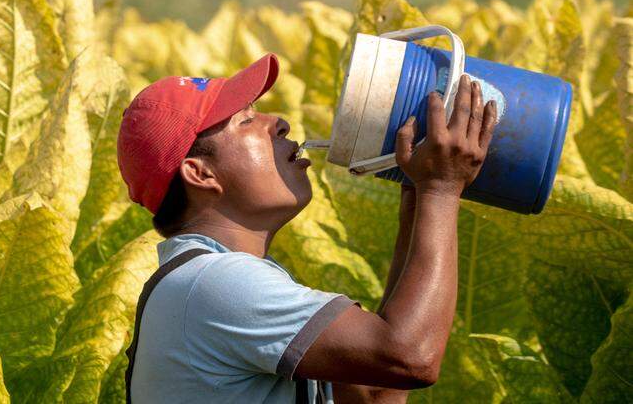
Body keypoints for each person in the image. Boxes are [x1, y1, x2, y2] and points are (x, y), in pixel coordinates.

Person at [116, 53, 498, 403]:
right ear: (201, 174)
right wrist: (442, 189)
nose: (278, 123)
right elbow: (409, 357)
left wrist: (418, 192)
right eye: (247, 121)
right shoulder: (215, 283)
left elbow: (377, 390)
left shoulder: (208, 280)